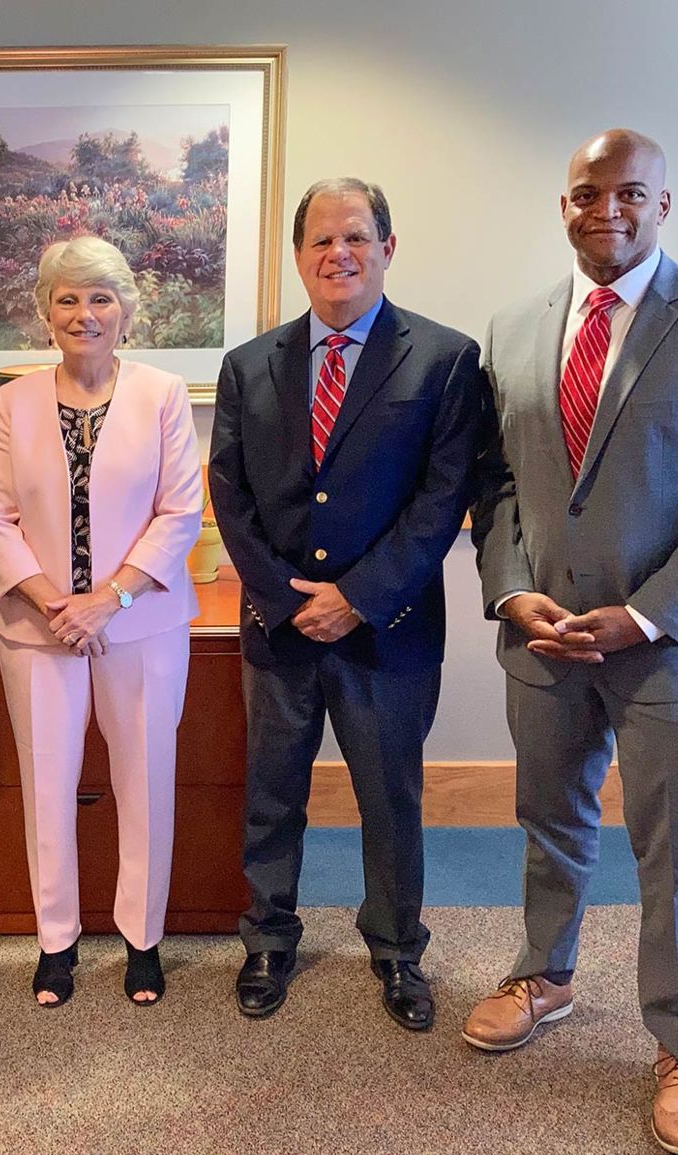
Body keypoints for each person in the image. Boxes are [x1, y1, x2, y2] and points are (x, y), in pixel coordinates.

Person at [465, 129, 678, 1155]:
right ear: (562, 205)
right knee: (549, 822)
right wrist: (513, 593)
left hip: (671, 647)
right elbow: (502, 487)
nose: (603, 209)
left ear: (663, 205)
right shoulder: (516, 328)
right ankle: (545, 972)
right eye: (584, 193)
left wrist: (647, 613)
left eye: (626, 194)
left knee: (676, 856)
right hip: (545, 641)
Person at [209, 178, 485, 1029]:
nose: (339, 254)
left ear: (387, 248)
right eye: (322, 241)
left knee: (389, 797)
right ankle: (268, 937)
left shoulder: (443, 359)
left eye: (356, 238)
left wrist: (357, 598)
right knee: (272, 791)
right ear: (298, 257)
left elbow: (443, 500)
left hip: (387, 630)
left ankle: (398, 950)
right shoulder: (249, 365)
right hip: (278, 626)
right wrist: (285, 600)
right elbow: (230, 491)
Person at [0, 237, 203, 1007]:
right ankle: (56, 942)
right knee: (47, 784)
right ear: (45, 313)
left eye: (101, 298)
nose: (85, 314)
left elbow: (180, 512)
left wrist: (111, 598)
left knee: (145, 782)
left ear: (128, 310)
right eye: (67, 299)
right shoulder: (14, 401)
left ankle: (142, 939)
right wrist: (54, 602)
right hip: (39, 631)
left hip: (142, 627)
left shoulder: (163, 394)